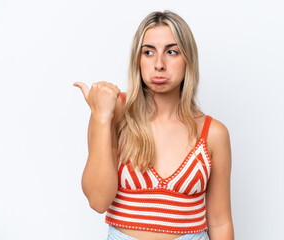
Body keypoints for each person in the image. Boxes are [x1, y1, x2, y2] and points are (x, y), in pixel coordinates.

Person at [74, 10, 234, 240]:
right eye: (148, 52)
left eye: (171, 52)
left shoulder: (213, 133)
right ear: (137, 59)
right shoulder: (113, 111)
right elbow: (98, 201)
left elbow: (220, 222)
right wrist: (101, 117)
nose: (159, 64)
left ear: (188, 58)